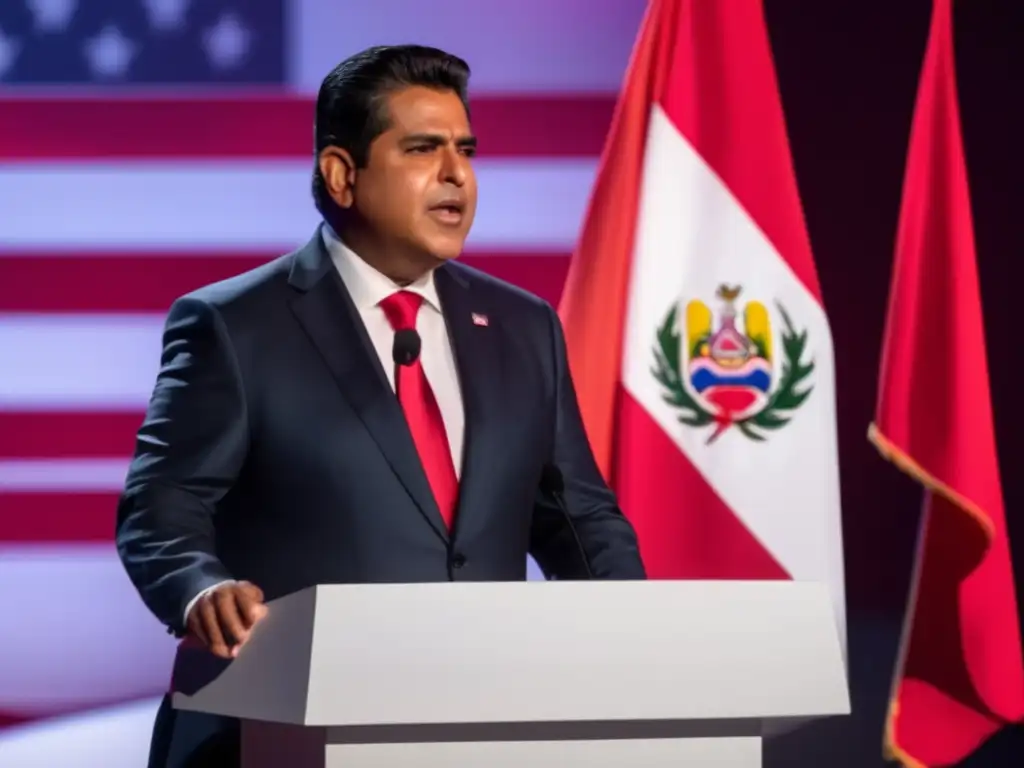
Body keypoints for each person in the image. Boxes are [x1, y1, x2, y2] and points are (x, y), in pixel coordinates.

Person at [115, 44, 646, 768]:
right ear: (342, 174)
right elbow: (161, 509)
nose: (456, 174)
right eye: (423, 149)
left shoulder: (523, 328)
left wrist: (643, 635)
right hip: (273, 731)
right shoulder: (235, 325)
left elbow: (579, 520)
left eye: (466, 149)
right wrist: (201, 590)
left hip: (486, 724)